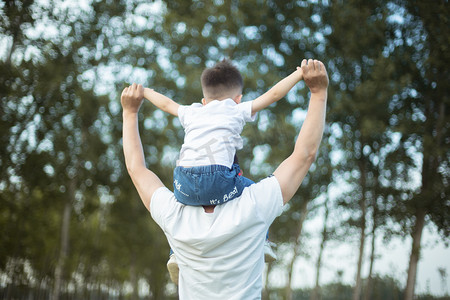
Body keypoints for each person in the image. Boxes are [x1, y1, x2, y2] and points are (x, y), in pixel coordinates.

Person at [121, 58, 329, 299]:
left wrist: (130, 112)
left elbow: (136, 169)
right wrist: (318, 92)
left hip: (183, 196)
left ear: (203, 101)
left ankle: (174, 254)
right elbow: (304, 155)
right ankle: (264, 241)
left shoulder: (174, 214)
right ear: (237, 99)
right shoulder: (254, 206)